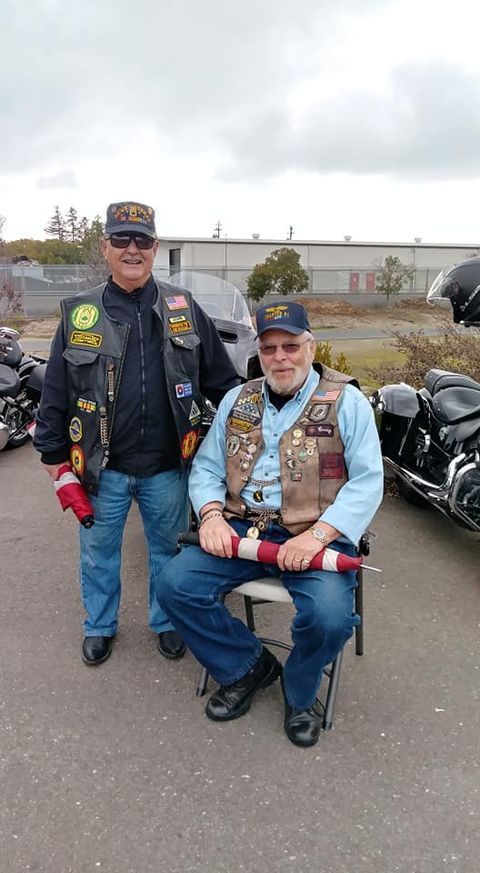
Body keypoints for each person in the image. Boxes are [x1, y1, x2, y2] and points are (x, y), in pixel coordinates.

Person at [158, 301, 383, 747]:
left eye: (290, 346)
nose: (281, 357)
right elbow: (206, 469)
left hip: (316, 535)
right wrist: (211, 515)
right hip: (244, 529)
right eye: (269, 348)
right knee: (173, 585)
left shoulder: (346, 401)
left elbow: (369, 480)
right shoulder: (237, 399)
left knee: (330, 617)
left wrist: (319, 536)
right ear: (258, 353)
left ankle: (299, 693)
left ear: (310, 346)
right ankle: (246, 666)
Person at [34, 201, 239, 666]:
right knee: (97, 554)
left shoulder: (183, 308)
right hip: (101, 469)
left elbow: (223, 384)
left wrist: (248, 433)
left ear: (155, 248)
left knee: (168, 552)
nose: (132, 249)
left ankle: (167, 621)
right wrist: (53, 461)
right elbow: (56, 393)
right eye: (121, 239)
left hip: (168, 465)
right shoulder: (78, 314)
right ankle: (100, 625)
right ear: (105, 247)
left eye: (142, 241)